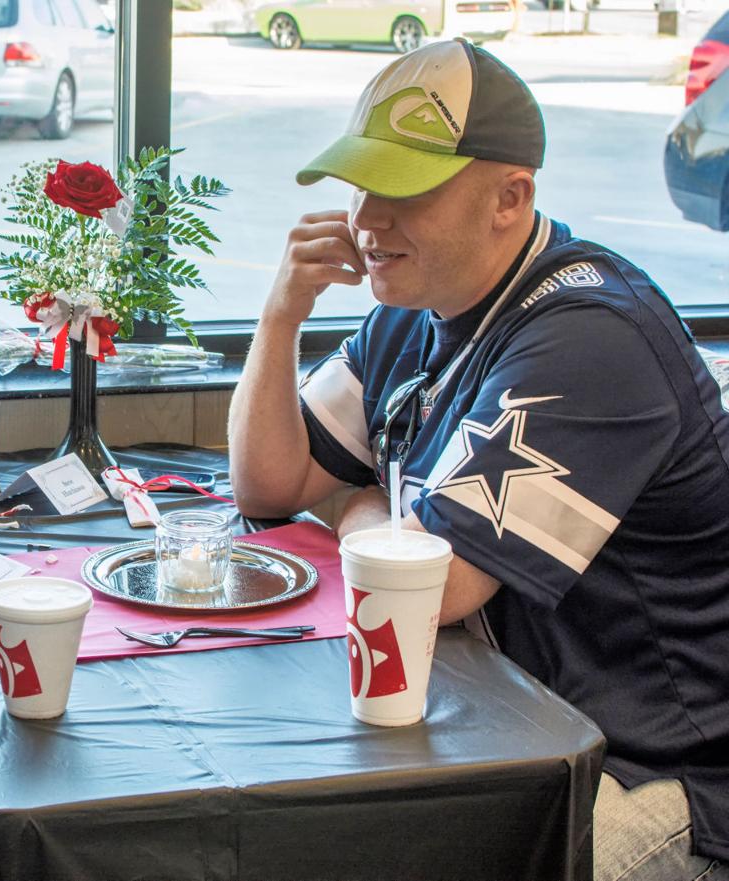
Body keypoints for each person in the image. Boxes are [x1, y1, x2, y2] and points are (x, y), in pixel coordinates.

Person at [229, 38, 729, 881]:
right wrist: (280, 314)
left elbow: (433, 593)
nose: (365, 218)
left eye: (405, 190)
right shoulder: (420, 305)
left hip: (651, 771)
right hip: (506, 728)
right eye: (361, 181)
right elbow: (270, 484)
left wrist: (354, 504)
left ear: (511, 197)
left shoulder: (591, 338)